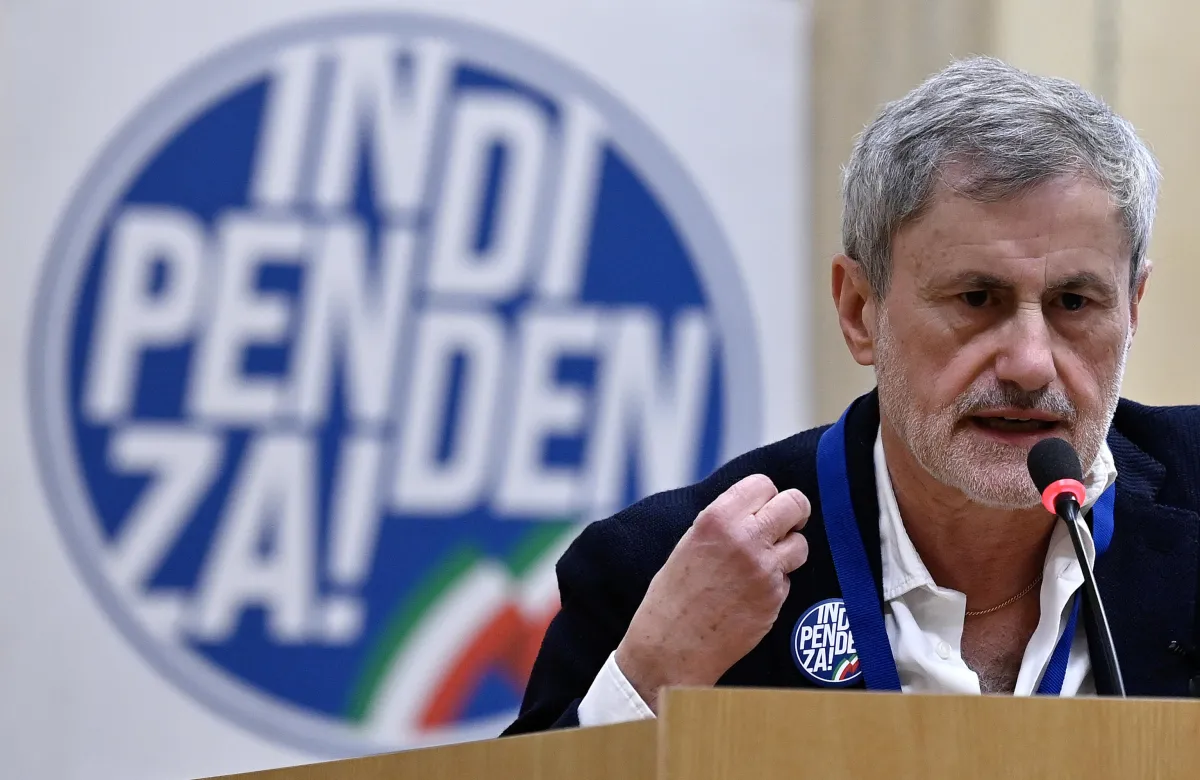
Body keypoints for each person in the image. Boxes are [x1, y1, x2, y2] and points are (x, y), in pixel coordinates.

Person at [502, 56, 1200, 735]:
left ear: (1133, 309)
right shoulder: (660, 573)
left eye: (1074, 302)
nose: (1029, 364)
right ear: (859, 310)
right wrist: (654, 676)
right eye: (976, 298)